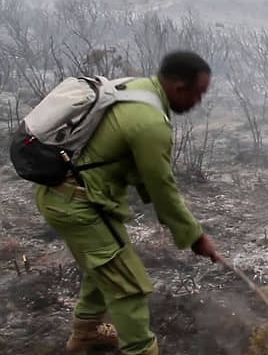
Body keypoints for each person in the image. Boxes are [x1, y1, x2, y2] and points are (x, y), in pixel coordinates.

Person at [36, 51, 220, 355]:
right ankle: (141, 349)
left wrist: (183, 229)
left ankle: (87, 332)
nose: (199, 102)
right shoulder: (150, 123)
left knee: (108, 261)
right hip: (77, 203)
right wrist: (194, 236)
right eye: (197, 94)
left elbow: (140, 173)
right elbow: (161, 187)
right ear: (177, 86)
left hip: (67, 195)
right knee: (128, 286)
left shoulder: (135, 89)